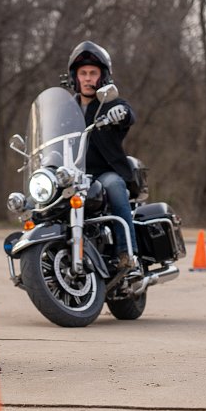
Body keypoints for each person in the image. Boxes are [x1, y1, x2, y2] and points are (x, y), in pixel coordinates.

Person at [67, 41, 139, 271]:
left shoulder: (111, 104)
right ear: (75, 78)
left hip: (103, 174)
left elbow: (129, 115)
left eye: (93, 73)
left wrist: (123, 113)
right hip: (71, 175)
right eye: (83, 73)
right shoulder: (67, 109)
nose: (88, 78)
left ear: (103, 76)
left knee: (115, 186)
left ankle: (126, 252)